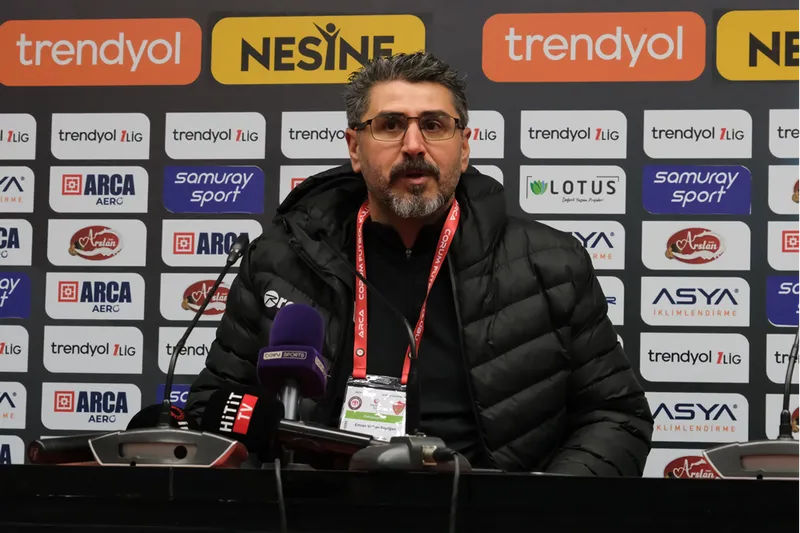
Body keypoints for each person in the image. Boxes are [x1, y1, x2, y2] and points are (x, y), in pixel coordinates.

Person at [186, 51, 654, 476]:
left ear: (464, 147)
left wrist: (534, 509)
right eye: (390, 125)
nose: (413, 144)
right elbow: (212, 407)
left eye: (433, 125)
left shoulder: (550, 265)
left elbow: (615, 416)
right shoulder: (280, 261)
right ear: (354, 148)